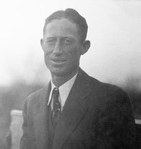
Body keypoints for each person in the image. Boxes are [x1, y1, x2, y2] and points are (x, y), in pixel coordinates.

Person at [20, 8, 136, 149]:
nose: (57, 50)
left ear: (84, 47)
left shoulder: (110, 99)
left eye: (67, 41)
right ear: (42, 44)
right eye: (50, 41)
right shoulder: (32, 103)